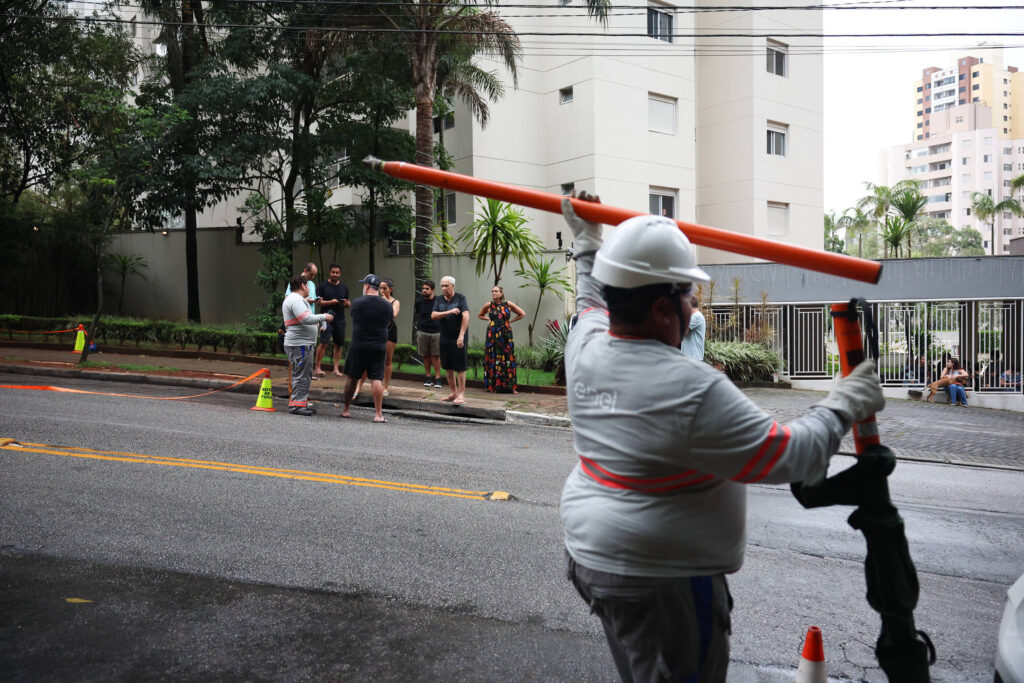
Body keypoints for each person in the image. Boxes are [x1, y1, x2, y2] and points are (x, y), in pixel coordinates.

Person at [558, 192, 885, 683]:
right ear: (664, 309)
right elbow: (792, 455)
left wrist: (587, 241)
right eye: (690, 297)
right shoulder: (689, 387)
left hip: (593, 559)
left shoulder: (585, 344)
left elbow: (588, 299)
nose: (695, 309)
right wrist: (846, 400)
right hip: (661, 578)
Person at [341, 274, 392, 423]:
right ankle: (378, 414)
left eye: (364, 285)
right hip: (378, 346)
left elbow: (354, 317)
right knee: (376, 379)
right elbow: (388, 323)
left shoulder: (357, 303)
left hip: (359, 345)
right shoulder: (387, 305)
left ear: (367, 286)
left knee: (352, 377)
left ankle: (346, 410)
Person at [282, 274, 333, 416]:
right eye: (309, 286)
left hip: (301, 344)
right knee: (301, 375)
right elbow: (305, 318)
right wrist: (324, 317)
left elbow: (304, 318)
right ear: (303, 286)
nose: (311, 290)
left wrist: (319, 321)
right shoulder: (296, 300)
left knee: (302, 374)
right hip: (300, 344)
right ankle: (298, 406)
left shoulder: (296, 299)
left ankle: (299, 403)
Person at [355, 278, 401, 398]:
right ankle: (358, 387)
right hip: (376, 331)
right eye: (380, 288)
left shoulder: (394, 302)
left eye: (384, 288)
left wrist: (385, 303)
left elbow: (393, 315)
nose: (382, 291)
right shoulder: (376, 299)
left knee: (388, 360)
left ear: (391, 289)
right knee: (366, 359)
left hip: (389, 331)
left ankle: (385, 387)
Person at [478, 285, 525, 393]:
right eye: (492, 291)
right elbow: (480, 315)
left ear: (501, 293)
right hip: (492, 335)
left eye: (496, 291)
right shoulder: (488, 305)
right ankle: (493, 386)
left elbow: (522, 313)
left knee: (508, 357)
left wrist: (510, 322)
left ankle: (511, 387)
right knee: (493, 357)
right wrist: (488, 320)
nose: (493, 293)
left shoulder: (508, 304)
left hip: (506, 334)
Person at [431, 275, 470, 405]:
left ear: (452, 286)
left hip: (458, 337)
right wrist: (449, 312)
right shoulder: (439, 299)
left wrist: (461, 335)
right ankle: (453, 393)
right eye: (442, 285)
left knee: (460, 366)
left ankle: (462, 394)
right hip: (444, 337)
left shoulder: (460, 298)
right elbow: (433, 315)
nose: (443, 288)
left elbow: (466, 316)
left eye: (446, 285)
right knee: (447, 366)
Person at [315, 264, 350, 378]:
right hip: (326, 318)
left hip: (340, 319)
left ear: (340, 273)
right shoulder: (322, 286)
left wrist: (346, 304)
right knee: (324, 342)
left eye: (337, 272)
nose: (335, 274)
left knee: (338, 344)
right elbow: (318, 302)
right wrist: (331, 302)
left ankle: (336, 368)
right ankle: (317, 367)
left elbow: (348, 303)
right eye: (333, 272)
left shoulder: (344, 288)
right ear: (329, 272)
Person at [285, 262, 321, 375]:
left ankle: (306, 374)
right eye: (311, 274)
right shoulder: (295, 283)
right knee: (298, 360)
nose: (312, 277)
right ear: (305, 270)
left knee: (307, 358)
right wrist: (305, 301)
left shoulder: (312, 284)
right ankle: (293, 376)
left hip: (310, 322)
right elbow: (289, 299)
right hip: (299, 331)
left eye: (315, 275)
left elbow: (313, 301)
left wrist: (316, 319)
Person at [415, 280, 443, 389]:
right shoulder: (419, 301)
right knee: (425, 355)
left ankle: (438, 378)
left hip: (436, 331)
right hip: (422, 331)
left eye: (427, 289)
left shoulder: (439, 301)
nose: (424, 291)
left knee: (435, 356)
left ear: (432, 290)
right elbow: (418, 312)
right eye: (423, 289)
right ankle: (428, 377)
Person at [679, 292, 706, 360]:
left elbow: (681, 330)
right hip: (690, 357)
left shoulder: (696, 316)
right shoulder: (694, 316)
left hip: (693, 357)